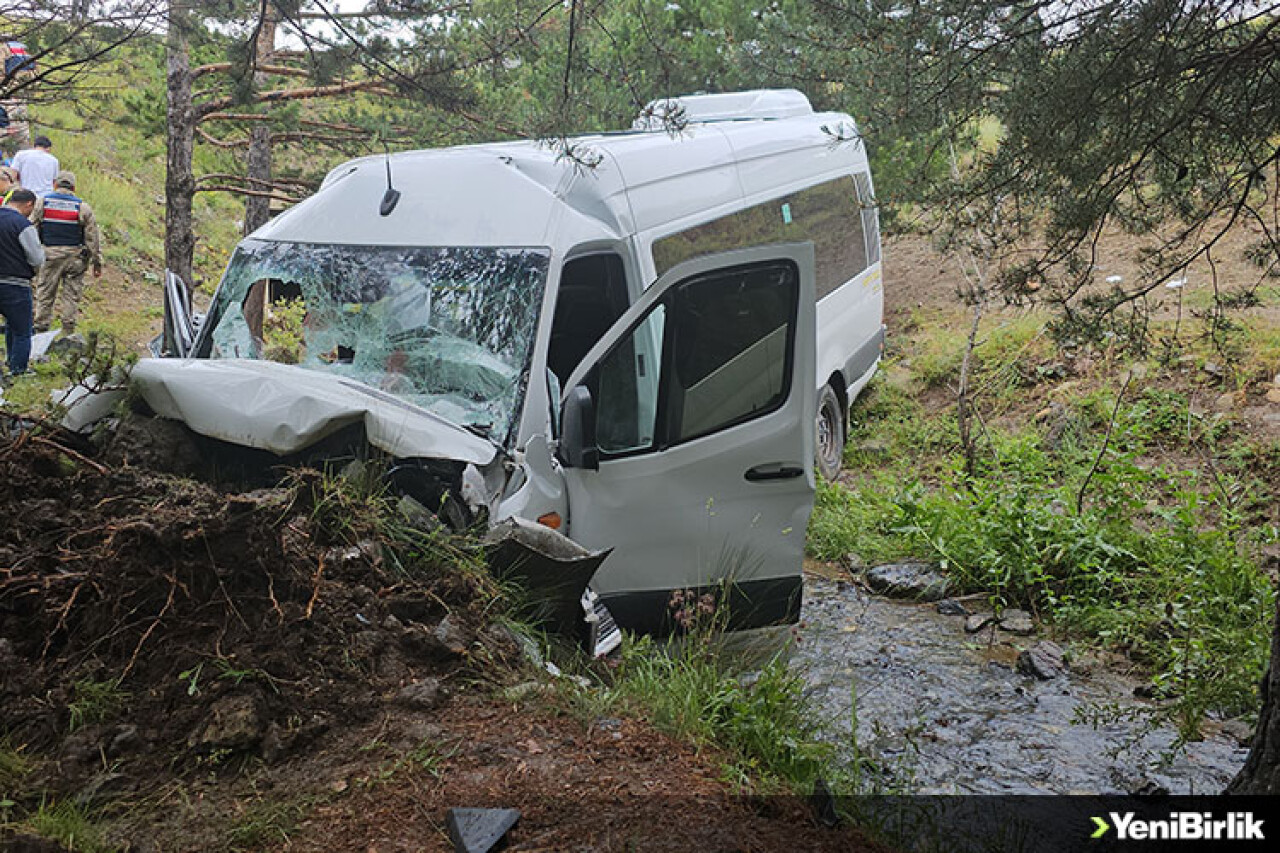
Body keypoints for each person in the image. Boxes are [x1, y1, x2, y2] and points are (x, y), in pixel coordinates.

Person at [32, 170, 102, 335]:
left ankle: (41, 329)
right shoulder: (82, 207)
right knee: (71, 294)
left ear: (55, 184)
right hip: (75, 257)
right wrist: (97, 262)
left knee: (45, 292)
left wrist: (34, 253)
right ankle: (68, 331)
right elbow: (92, 238)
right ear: (74, 188)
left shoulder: (43, 203)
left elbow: (32, 228)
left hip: (49, 255)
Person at [0, 188, 43, 374]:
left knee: (12, 326)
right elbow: (36, 258)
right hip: (15, 284)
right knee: (21, 330)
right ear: (29, 204)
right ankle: (17, 370)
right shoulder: (22, 225)